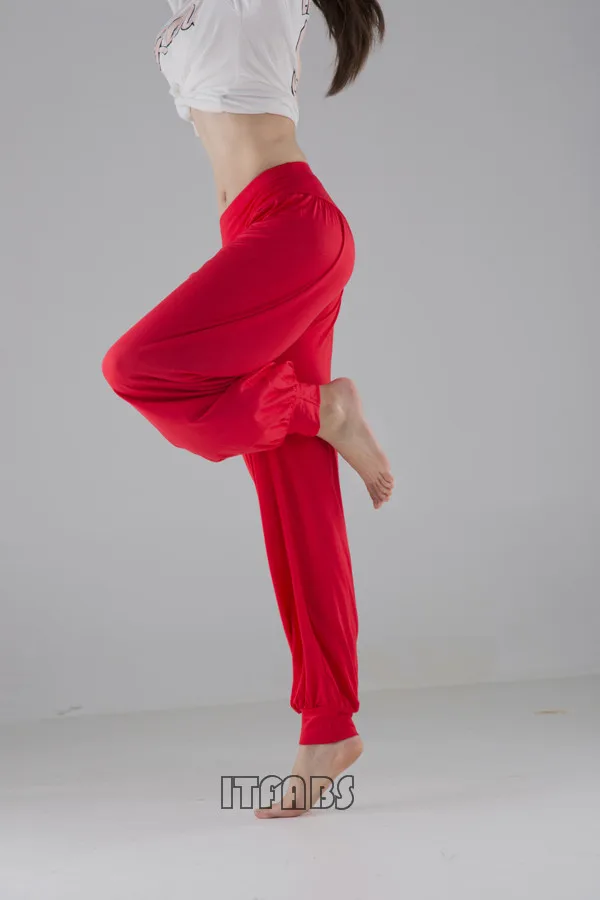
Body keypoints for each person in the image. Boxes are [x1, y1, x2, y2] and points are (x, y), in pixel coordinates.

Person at [101, 0, 393, 818]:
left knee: (136, 367)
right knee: (296, 504)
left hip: (291, 229)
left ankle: (319, 409)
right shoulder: (192, 11)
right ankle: (328, 730)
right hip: (262, 235)